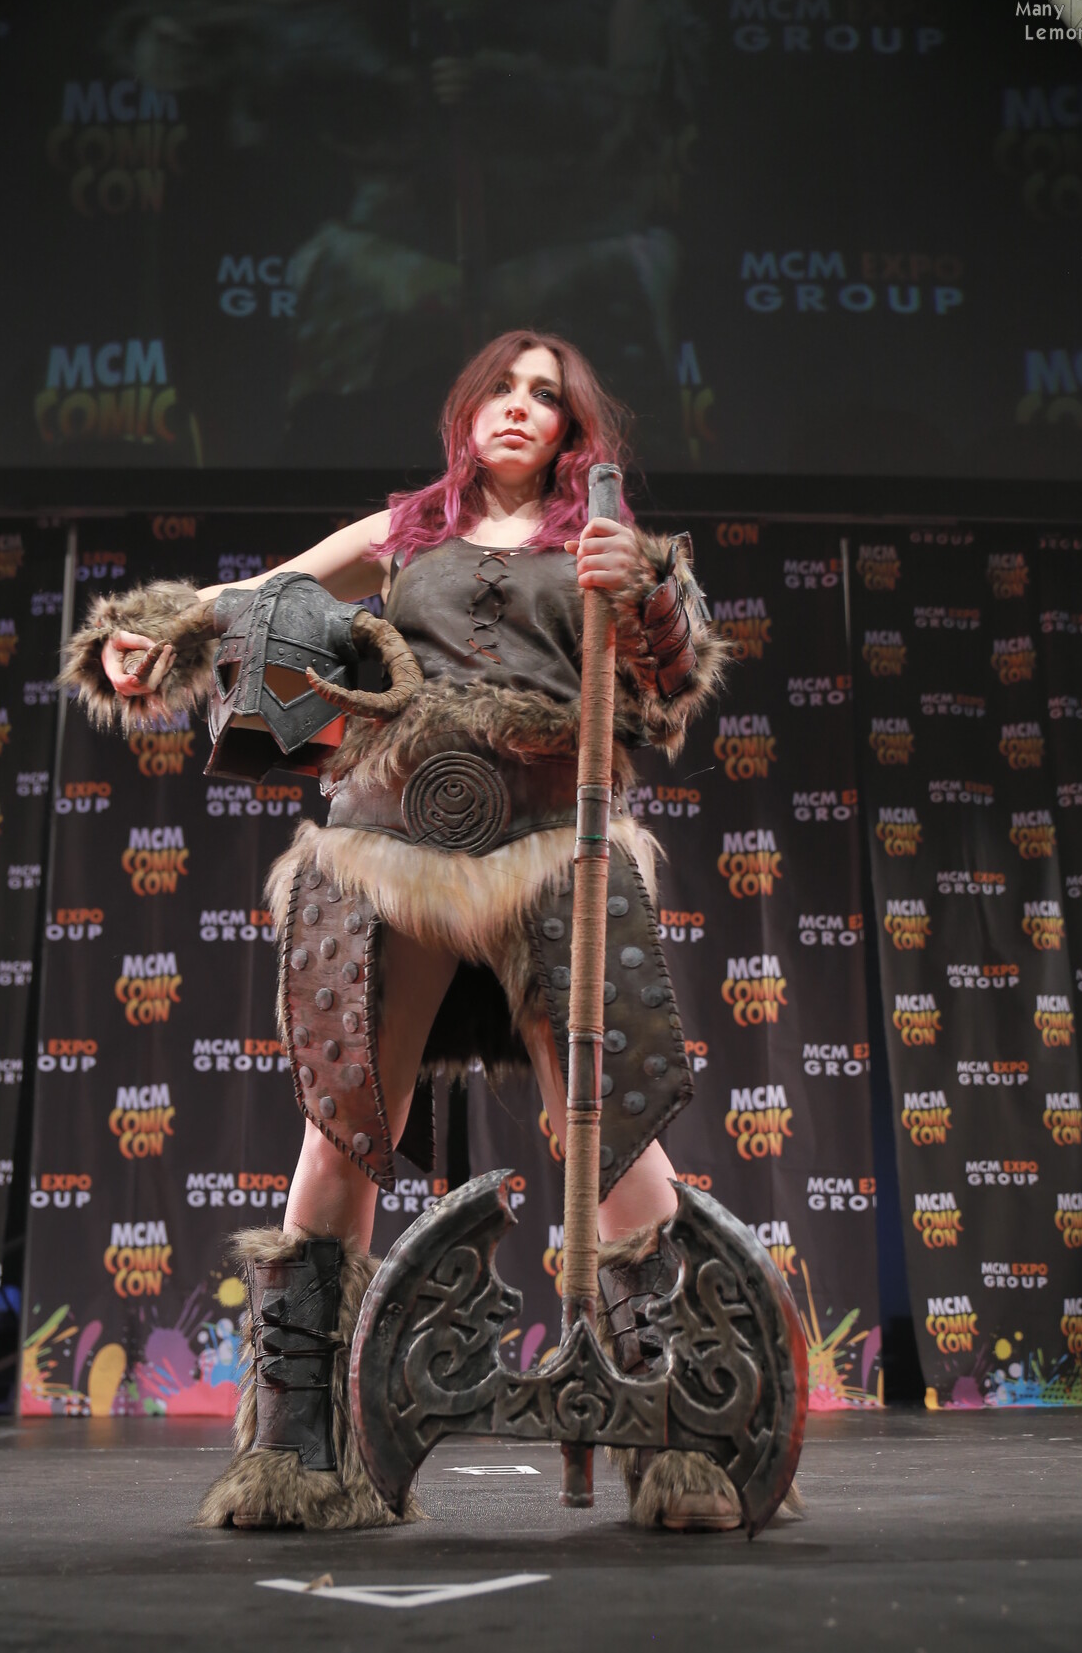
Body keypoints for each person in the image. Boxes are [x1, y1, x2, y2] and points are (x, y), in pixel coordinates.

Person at [61, 329, 732, 1531]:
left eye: (546, 396)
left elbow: (673, 683)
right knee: (340, 1135)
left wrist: (646, 591)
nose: (519, 407)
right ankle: (302, 1457)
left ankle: (685, 1441)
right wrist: (153, 636)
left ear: (572, 431)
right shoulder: (408, 528)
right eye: (502, 389)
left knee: (617, 1138)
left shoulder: (605, 538)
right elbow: (261, 597)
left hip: (552, 848)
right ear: (467, 412)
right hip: (388, 846)